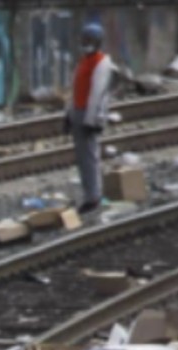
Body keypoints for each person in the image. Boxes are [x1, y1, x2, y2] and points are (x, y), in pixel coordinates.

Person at [70, 23, 115, 214]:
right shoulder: (83, 61)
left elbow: (98, 95)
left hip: (90, 115)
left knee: (90, 157)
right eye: (84, 40)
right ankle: (89, 194)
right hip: (79, 113)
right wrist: (69, 114)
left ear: (98, 42)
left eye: (90, 41)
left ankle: (94, 197)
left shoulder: (101, 63)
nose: (86, 44)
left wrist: (92, 120)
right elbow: (76, 89)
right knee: (82, 158)